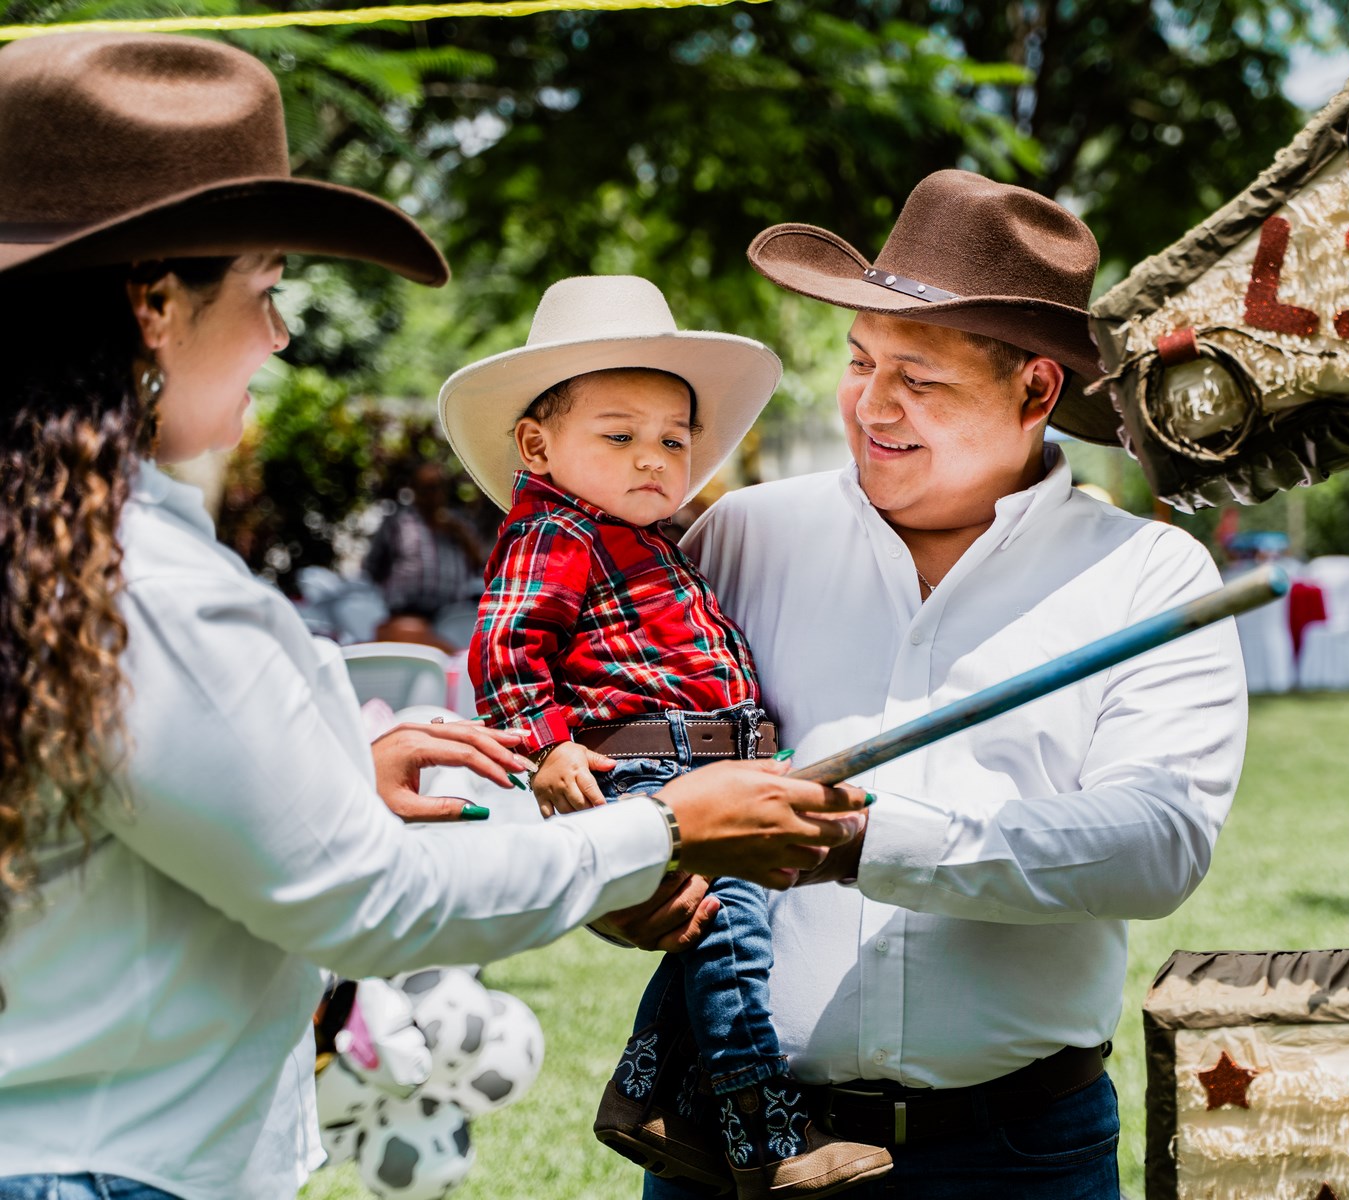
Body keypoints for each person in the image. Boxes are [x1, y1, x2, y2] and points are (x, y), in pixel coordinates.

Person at [0, 33, 861, 1200]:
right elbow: (370, 905)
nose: (280, 335)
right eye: (264, 291)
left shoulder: (62, 549)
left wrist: (334, 780)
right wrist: (664, 829)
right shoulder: (148, 587)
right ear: (155, 306)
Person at [635, 170, 1249, 1198]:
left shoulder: (1149, 575)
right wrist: (629, 871)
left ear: (1036, 391)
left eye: (918, 377)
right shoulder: (743, 537)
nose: (871, 403)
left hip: (1015, 1154)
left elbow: (1157, 844)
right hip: (734, 1144)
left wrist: (866, 842)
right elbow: (635, 754)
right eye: (859, 360)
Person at [440, 275, 892, 1198]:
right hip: (648, 761)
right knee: (731, 937)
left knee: (711, 927)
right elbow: (505, 643)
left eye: (674, 441)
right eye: (619, 437)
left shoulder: (641, 536)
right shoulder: (554, 531)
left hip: (701, 756)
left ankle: (649, 1095)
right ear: (537, 445)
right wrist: (547, 748)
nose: (652, 459)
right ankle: (764, 1134)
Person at [362, 460, 485, 642]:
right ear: (415, 489)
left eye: (437, 488)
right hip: (407, 614)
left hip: (454, 616)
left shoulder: (459, 525)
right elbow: (372, 568)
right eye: (427, 488)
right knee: (406, 632)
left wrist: (461, 535)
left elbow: (481, 567)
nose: (432, 495)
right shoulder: (398, 523)